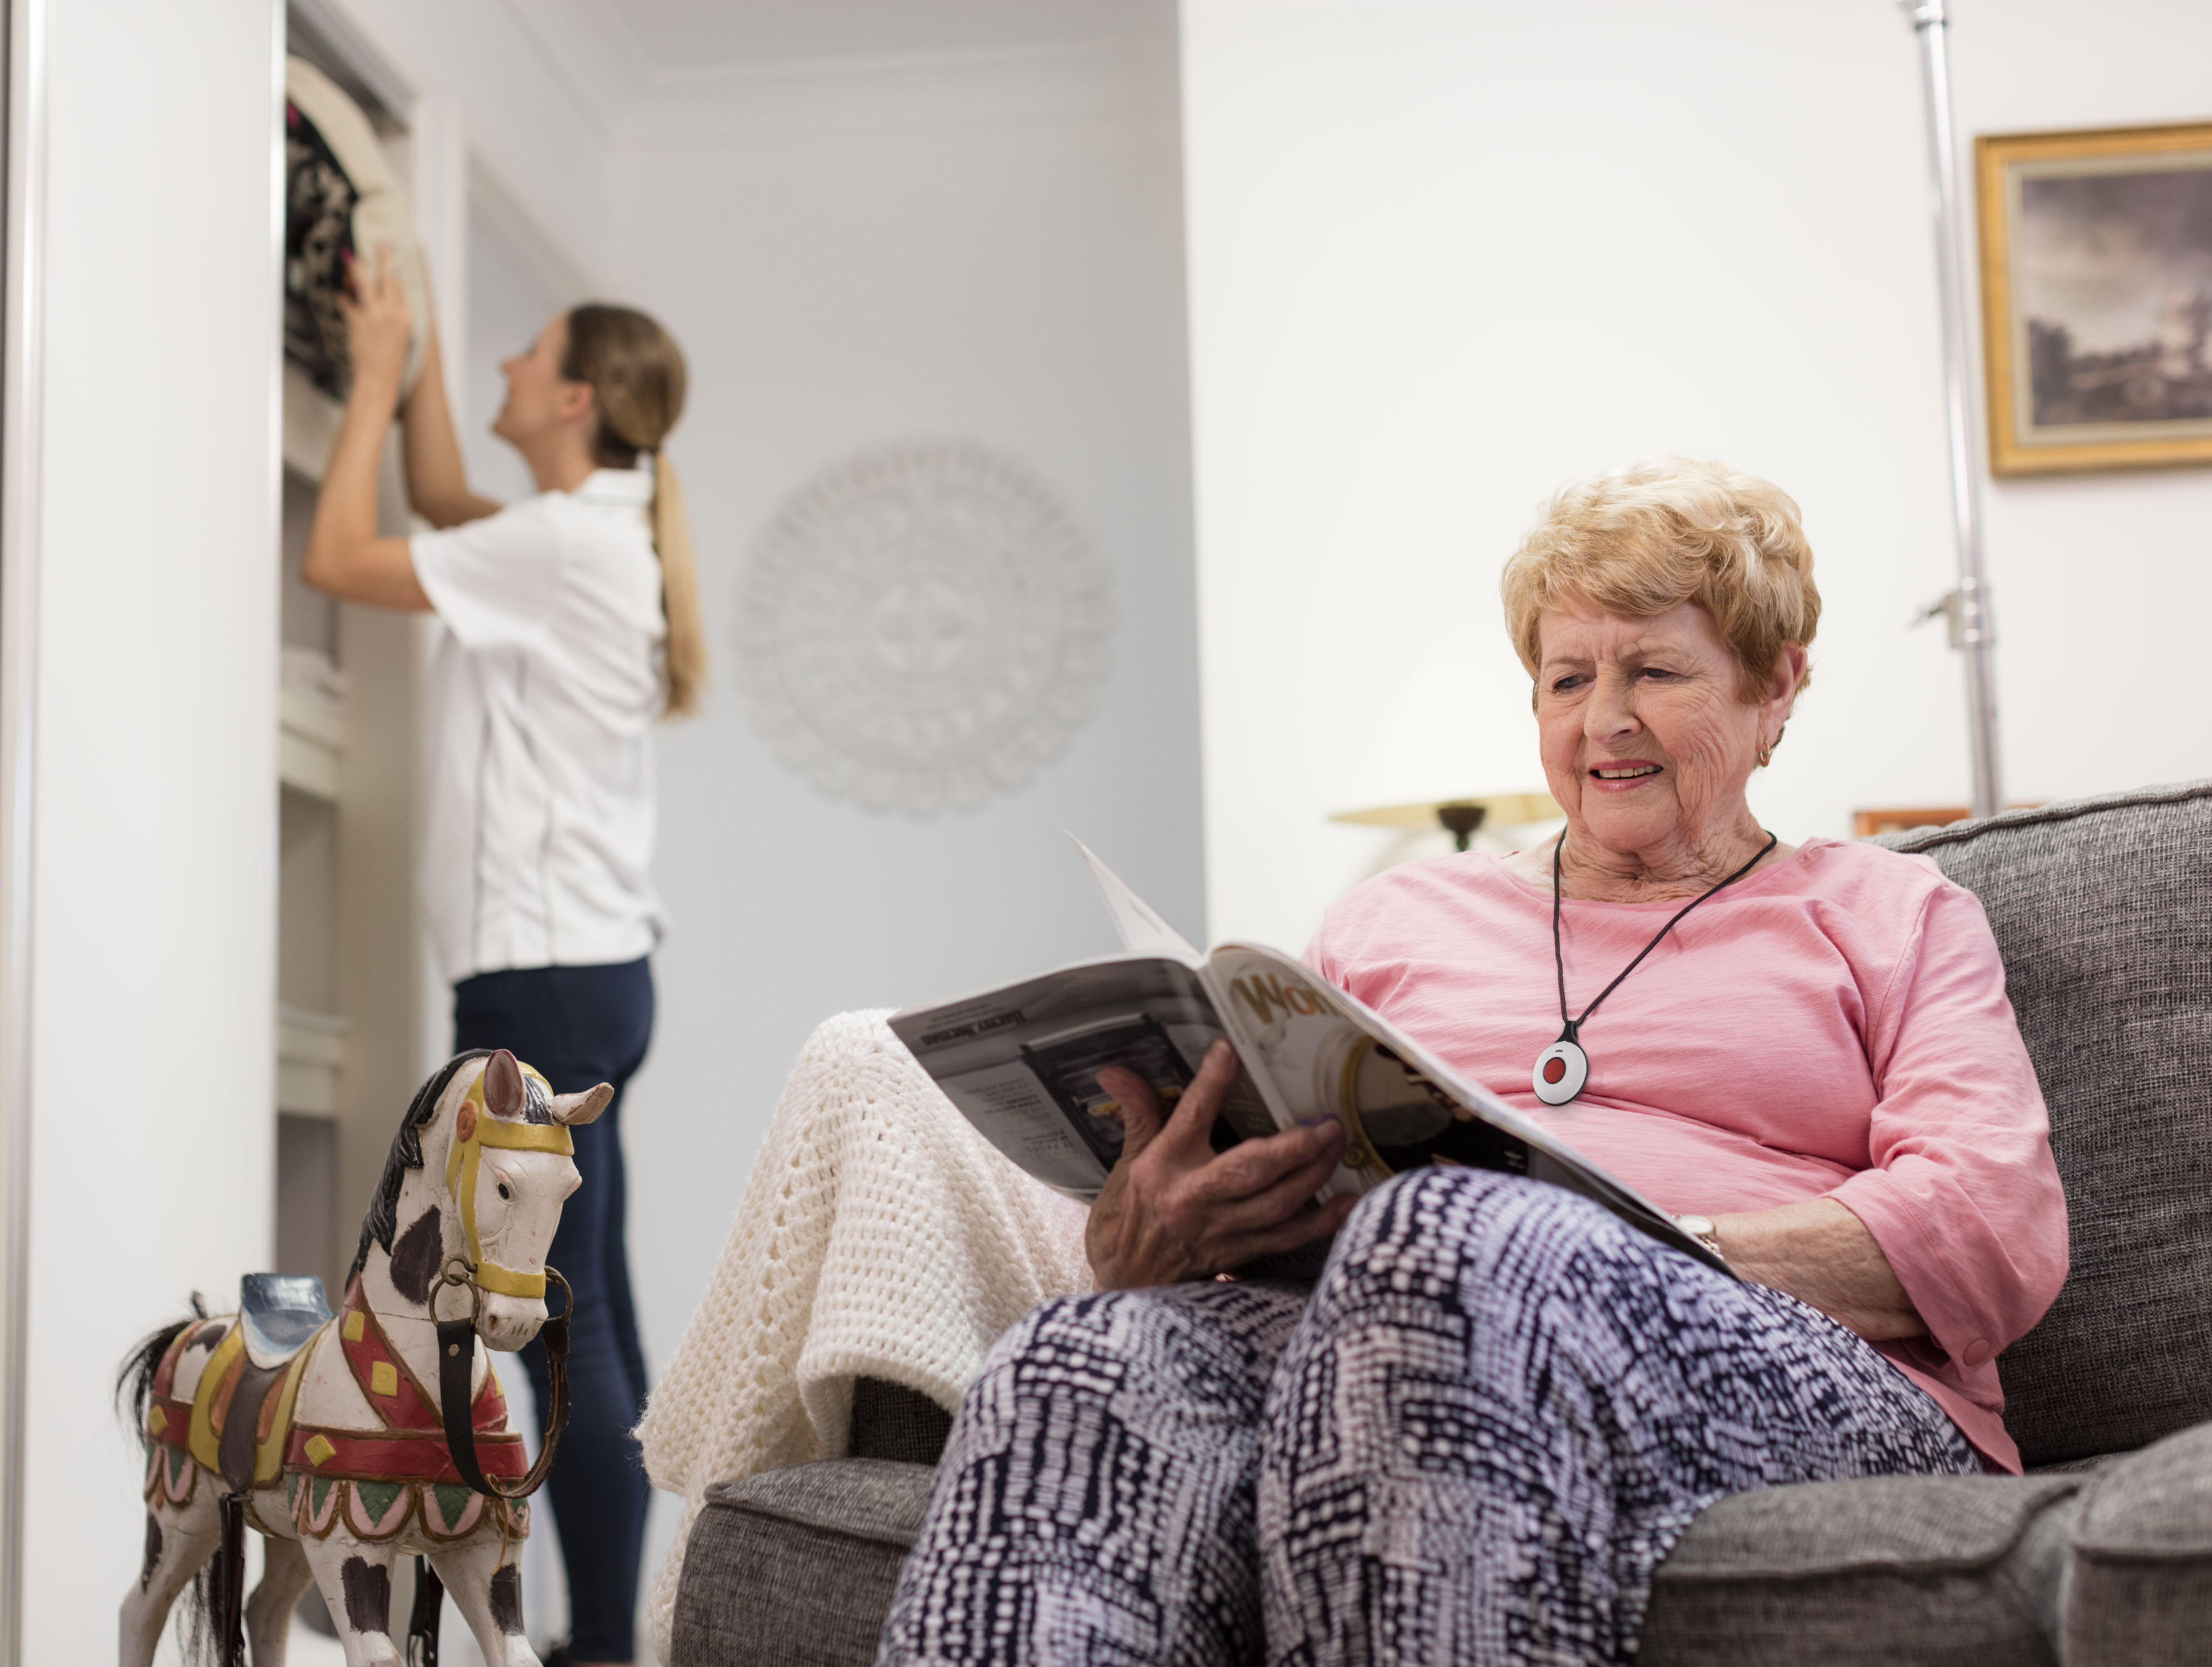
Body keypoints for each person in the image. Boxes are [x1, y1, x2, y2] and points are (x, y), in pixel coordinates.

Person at [876, 456, 2070, 1666]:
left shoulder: (1890, 912)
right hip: (1383, 1323)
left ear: (1775, 686)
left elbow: (1989, 1224)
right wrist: (1147, 1242)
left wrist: (1643, 1253)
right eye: (1568, 678)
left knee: (1445, 1241)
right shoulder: (1390, 924)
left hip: (1800, 1367)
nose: (1604, 720)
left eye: (1655, 671)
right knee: (1072, 1359)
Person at [306, 248, 704, 1667]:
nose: (503, 373)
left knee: (562, 1338)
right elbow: (440, 511)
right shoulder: (579, 532)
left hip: (540, 983)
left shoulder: (562, 543)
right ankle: (612, 1627)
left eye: (523, 358)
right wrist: (405, 362)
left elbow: (342, 553)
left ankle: (595, 1647)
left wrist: (366, 387)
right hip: (595, 976)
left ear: (579, 394)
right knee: (596, 1318)